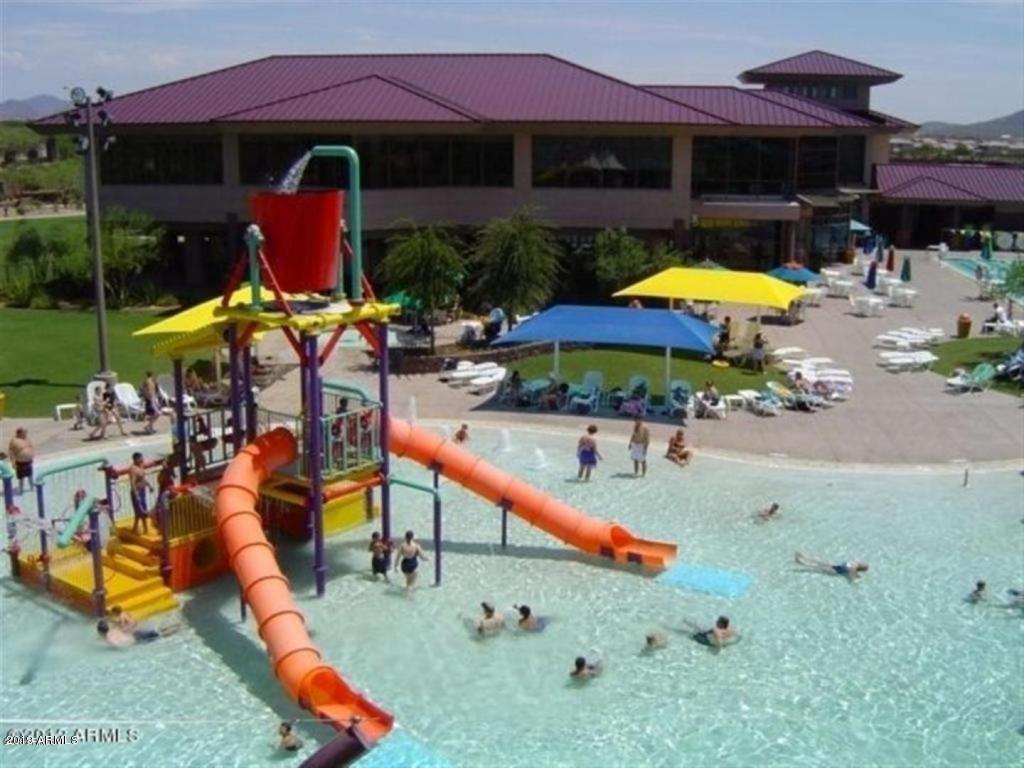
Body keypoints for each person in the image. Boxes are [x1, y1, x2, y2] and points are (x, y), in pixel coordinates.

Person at [97, 618, 180, 647]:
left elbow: (122, 645)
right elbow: (123, 631)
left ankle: (177, 629)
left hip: (137, 639)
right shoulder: (113, 630)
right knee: (157, 631)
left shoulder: (110, 640)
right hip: (136, 633)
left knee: (160, 635)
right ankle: (176, 625)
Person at [794, 552, 869, 580]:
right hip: (835, 571)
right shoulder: (853, 570)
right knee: (818, 568)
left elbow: (851, 567)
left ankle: (803, 556)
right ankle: (802, 563)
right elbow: (851, 579)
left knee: (819, 562)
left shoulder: (855, 563)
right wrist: (857, 579)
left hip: (836, 565)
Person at [129, 452, 153, 535]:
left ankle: (135, 528)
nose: (142, 459)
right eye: (140, 458)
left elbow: (143, 479)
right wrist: (136, 495)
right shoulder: (133, 469)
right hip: (137, 492)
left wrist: (149, 485)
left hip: (142, 491)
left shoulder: (141, 466)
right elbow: (132, 483)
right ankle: (144, 529)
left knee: (141, 511)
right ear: (136, 459)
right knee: (140, 511)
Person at [8, 428, 34, 494]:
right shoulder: (14, 441)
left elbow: (30, 447)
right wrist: (13, 463)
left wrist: (31, 456)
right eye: (23, 433)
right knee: (21, 478)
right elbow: (11, 452)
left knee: (30, 476)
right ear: (19, 433)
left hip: (28, 461)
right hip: (21, 462)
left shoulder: (27, 439)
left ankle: (32, 488)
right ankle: (21, 490)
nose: (25, 434)